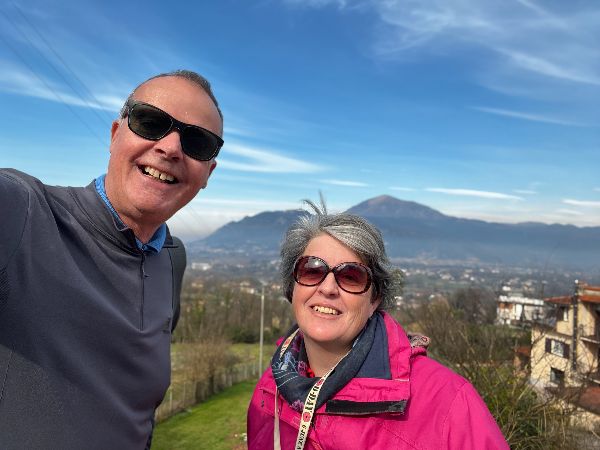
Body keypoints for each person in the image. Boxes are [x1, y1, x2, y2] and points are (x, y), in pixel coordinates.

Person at [0, 70, 223, 449]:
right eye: (151, 122)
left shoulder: (172, 258)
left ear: (208, 174)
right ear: (115, 134)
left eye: (197, 142)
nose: (170, 148)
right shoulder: (24, 210)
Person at [247, 202, 509, 449]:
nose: (327, 288)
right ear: (292, 287)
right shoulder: (271, 386)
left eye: (351, 277)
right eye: (312, 270)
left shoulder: (449, 402)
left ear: (375, 300)